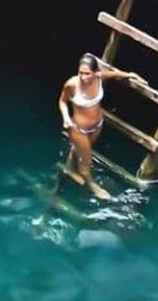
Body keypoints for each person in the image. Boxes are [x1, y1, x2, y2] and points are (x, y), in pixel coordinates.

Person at [58, 53, 147, 199]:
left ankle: (69, 167)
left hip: (97, 125)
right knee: (87, 163)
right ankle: (92, 186)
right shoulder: (71, 84)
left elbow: (114, 74)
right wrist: (66, 117)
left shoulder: (99, 78)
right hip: (78, 129)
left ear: (95, 72)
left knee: (81, 151)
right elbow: (62, 101)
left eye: (87, 73)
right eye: (80, 73)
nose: (83, 77)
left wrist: (131, 75)